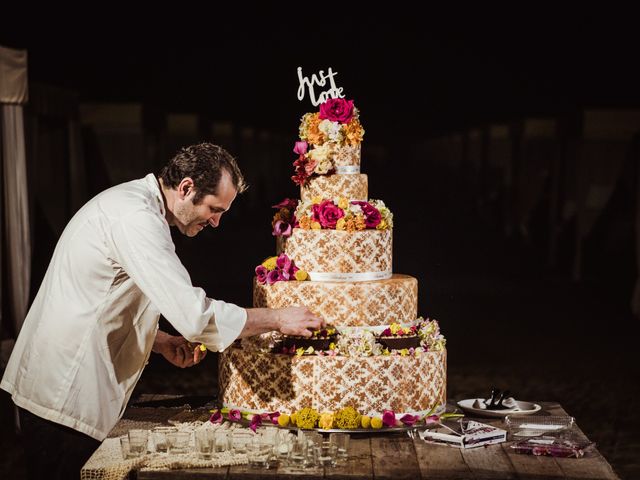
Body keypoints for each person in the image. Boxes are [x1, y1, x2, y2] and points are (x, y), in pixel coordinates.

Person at [1, 143, 324, 479]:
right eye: (215, 209)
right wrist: (277, 318)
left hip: (64, 389)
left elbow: (98, 297)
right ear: (186, 188)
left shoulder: (135, 205)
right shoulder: (136, 218)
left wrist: (159, 340)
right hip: (64, 398)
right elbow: (195, 316)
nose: (216, 223)